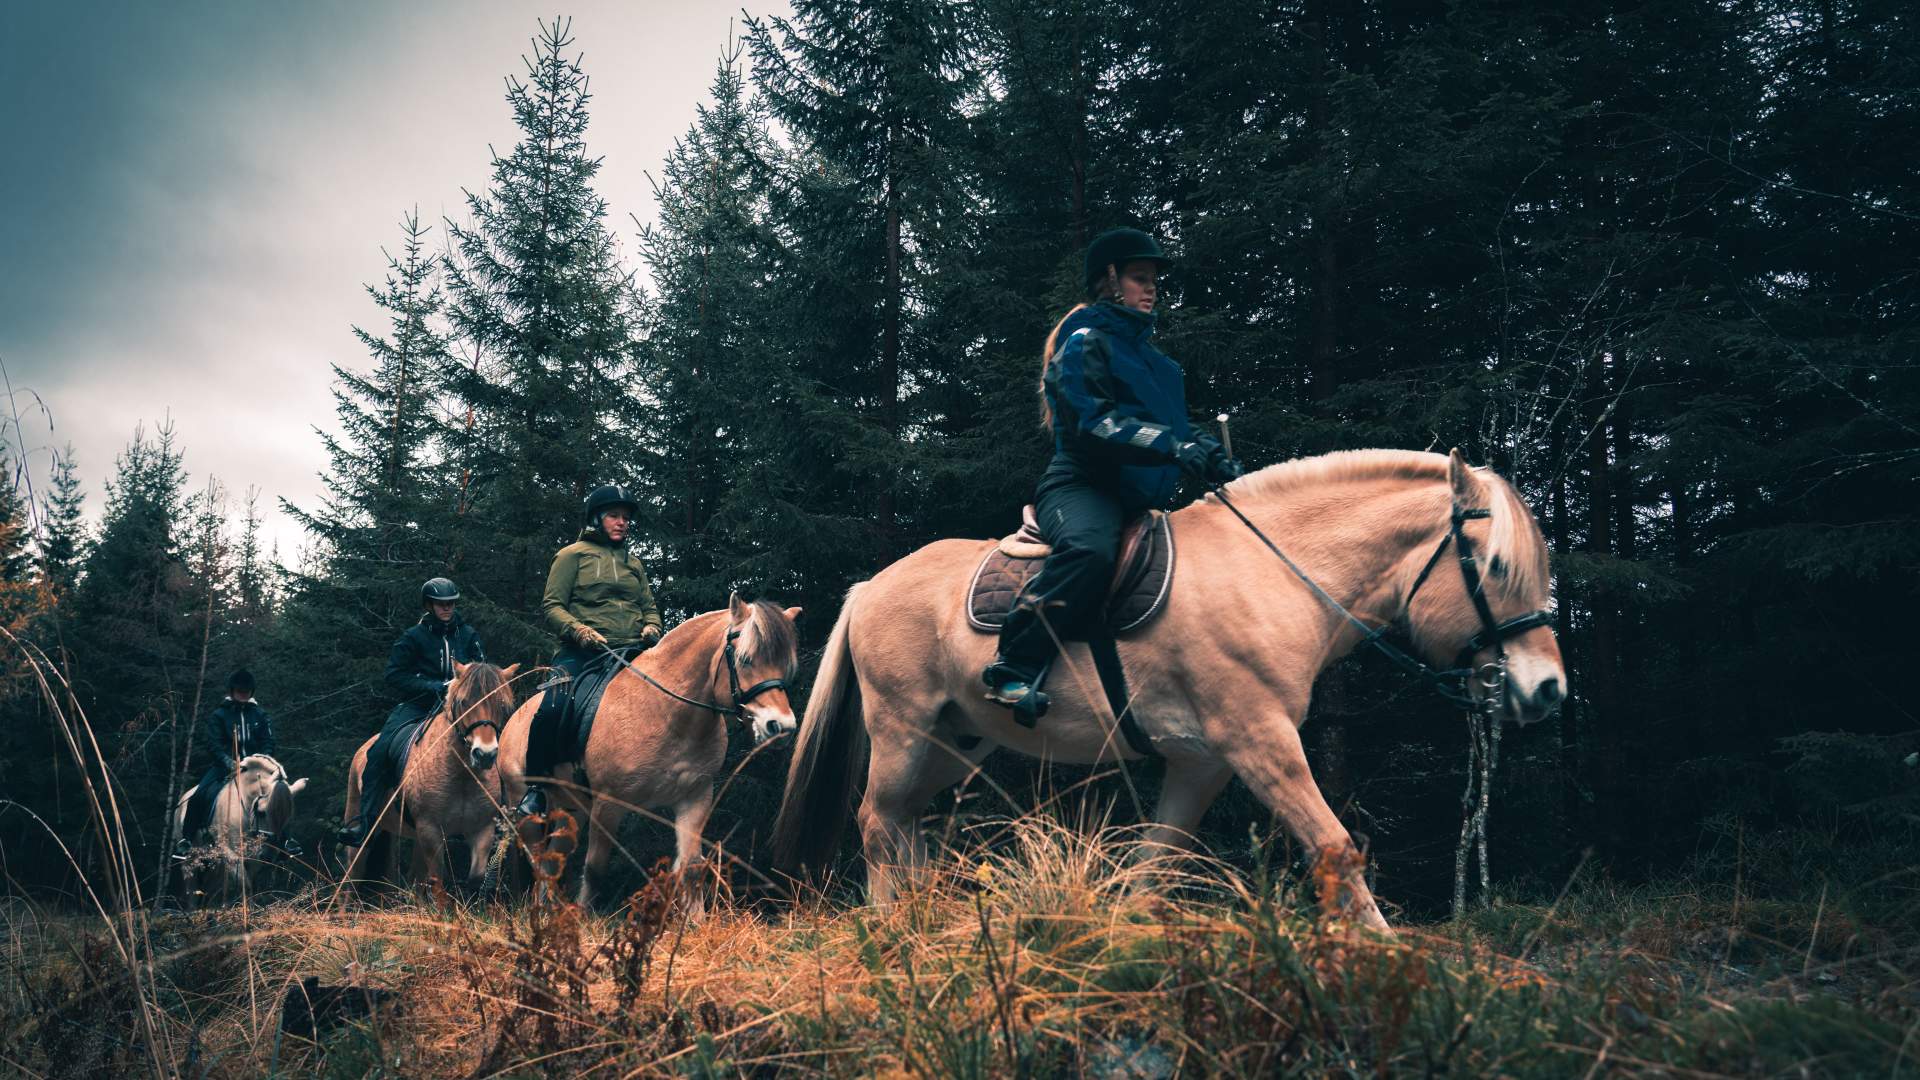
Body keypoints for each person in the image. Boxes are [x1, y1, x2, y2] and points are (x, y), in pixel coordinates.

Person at [983, 227, 1244, 722]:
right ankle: (1013, 664)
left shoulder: (1161, 366)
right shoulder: (1084, 341)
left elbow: (1177, 429)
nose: (1152, 289)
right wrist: (1173, 447)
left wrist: (1211, 455)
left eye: (1154, 281)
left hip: (1140, 498)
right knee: (1090, 550)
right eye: (1140, 278)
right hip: (1081, 485)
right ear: (1110, 280)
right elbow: (1096, 424)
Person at [516, 484, 664, 816]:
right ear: (596, 519)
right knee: (553, 708)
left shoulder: (634, 563)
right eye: (614, 515)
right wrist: (579, 631)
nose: (622, 522)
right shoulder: (571, 555)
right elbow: (553, 606)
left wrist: (652, 627)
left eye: (626, 517)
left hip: (632, 651)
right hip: (581, 652)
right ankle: (536, 787)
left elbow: (650, 608)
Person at [334, 577, 486, 847]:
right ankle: (364, 822)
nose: (447, 608)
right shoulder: (413, 637)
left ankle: (499, 817)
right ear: (429, 605)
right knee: (379, 752)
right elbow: (394, 675)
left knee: (492, 743)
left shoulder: (468, 635)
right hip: (418, 706)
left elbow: (481, 672)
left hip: (461, 709)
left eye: (451, 603)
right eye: (441, 604)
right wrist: (433, 686)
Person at [175, 669, 278, 857]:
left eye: (246, 691)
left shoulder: (260, 715)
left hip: (256, 769)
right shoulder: (220, 715)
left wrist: (263, 760)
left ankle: (286, 840)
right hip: (224, 767)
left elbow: (269, 741)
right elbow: (212, 744)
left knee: (281, 793)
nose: (243, 695)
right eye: (240, 691)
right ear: (232, 691)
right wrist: (227, 761)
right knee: (199, 795)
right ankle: (187, 838)